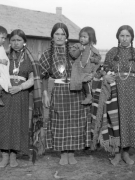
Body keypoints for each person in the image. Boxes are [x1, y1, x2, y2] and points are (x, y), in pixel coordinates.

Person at [91, 25, 135, 166]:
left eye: (127, 36)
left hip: (133, 93)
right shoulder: (112, 52)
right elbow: (103, 70)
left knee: (129, 122)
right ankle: (116, 154)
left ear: (132, 37)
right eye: (122, 35)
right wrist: (105, 76)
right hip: (114, 93)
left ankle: (126, 153)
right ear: (118, 37)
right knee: (115, 122)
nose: (124, 38)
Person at [39, 23, 91, 165]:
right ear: (52, 36)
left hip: (75, 91)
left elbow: (87, 66)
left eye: (63, 34)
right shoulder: (46, 55)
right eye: (57, 34)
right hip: (59, 91)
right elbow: (42, 77)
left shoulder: (74, 52)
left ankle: (72, 153)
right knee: (60, 121)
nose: (60, 37)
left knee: (75, 122)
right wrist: (45, 94)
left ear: (67, 37)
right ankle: (63, 153)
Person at [0, 29, 42, 167]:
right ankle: (4, 156)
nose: (16, 43)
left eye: (19, 40)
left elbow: (32, 79)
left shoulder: (30, 58)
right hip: (5, 94)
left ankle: (13, 156)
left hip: (21, 95)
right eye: (13, 40)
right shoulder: (4, 56)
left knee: (18, 124)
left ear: (24, 42)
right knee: (4, 124)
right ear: (9, 41)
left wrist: (20, 87)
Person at [69, 27, 101, 104]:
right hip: (78, 69)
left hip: (88, 69)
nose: (82, 39)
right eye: (81, 36)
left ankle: (89, 96)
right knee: (78, 83)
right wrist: (79, 50)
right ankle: (85, 97)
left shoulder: (92, 49)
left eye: (84, 37)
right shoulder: (77, 46)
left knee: (86, 82)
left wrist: (93, 60)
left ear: (91, 38)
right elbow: (73, 55)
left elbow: (98, 59)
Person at [0, 26, 11, 106]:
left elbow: (2, 54)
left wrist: (8, 51)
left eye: (5, 38)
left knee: (3, 82)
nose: (4, 40)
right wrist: (1, 61)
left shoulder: (1, 47)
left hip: (2, 69)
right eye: (2, 38)